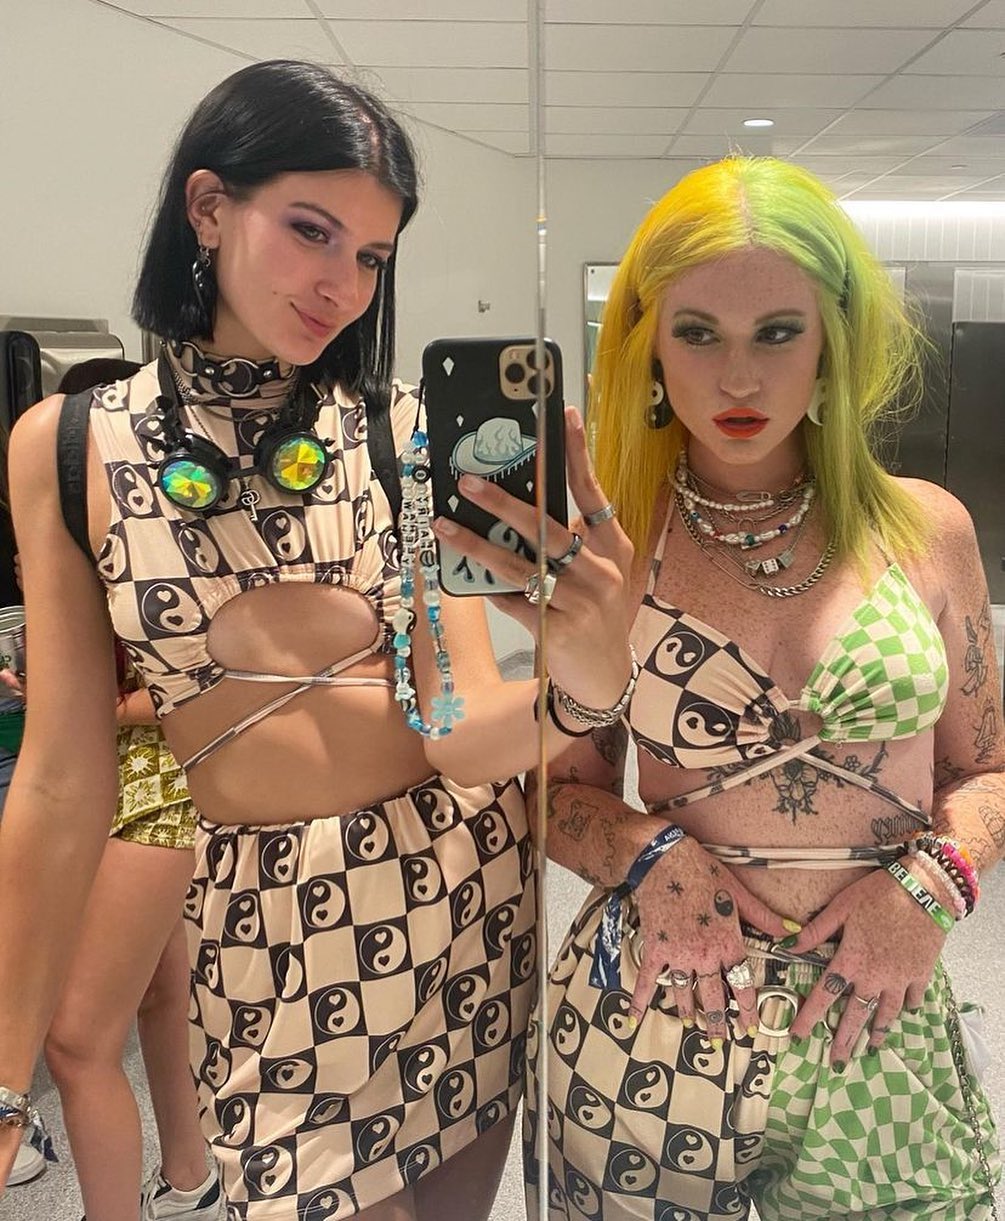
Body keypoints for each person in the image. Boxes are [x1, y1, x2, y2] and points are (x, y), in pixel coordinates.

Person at [0, 59, 633, 1221]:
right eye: (311, 230)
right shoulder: (71, 445)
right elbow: (58, 778)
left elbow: (456, 730)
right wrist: (3, 1077)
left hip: (457, 907)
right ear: (207, 207)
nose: (343, 284)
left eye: (373, 256)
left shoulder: (403, 434)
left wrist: (585, 684)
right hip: (262, 934)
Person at [525, 156, 1003, 1220]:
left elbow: (989, 770)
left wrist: (930, 887)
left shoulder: (927, 530)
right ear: (649, 346)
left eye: (777, 332)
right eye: (698, 333)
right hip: (660, 1007)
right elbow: (552, 791)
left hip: (877, 1012)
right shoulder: (611, 547)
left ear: (834, 338)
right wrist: (650, 857)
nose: (737, 378)